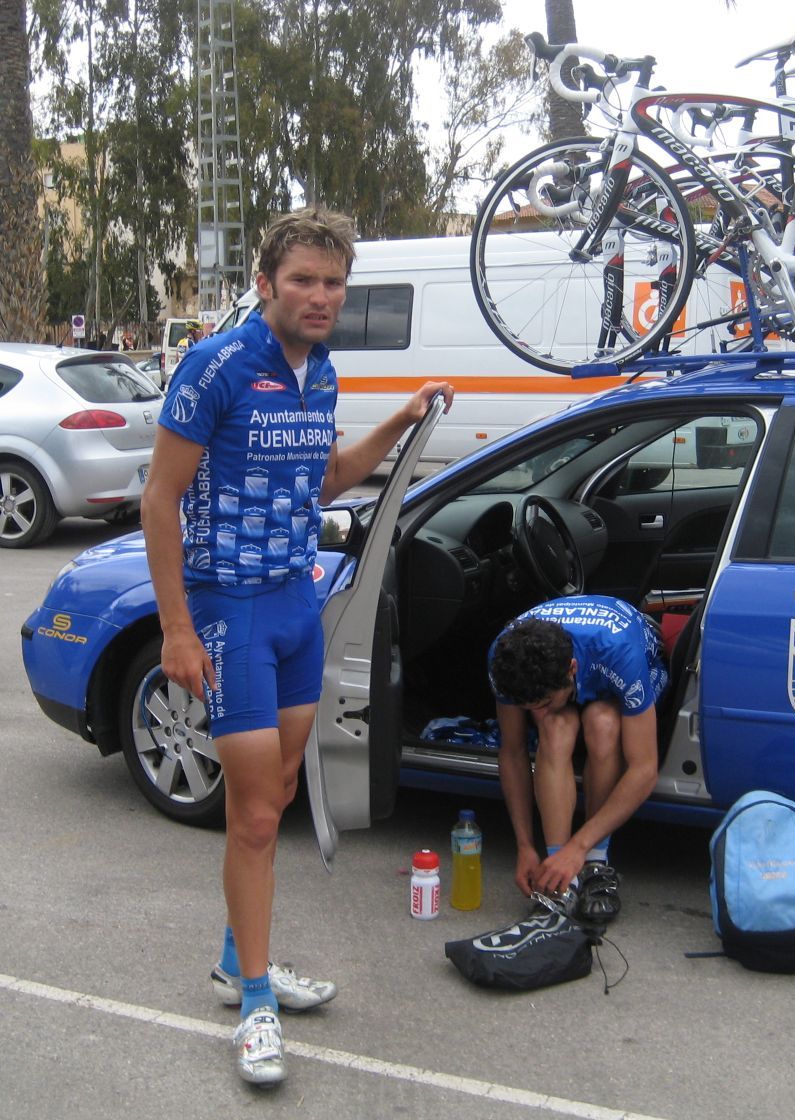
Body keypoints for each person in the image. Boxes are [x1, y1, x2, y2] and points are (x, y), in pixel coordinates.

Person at [141, 207, 453, 1088]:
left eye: (333, 282)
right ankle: (254, 1001)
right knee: (252, 817)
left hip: (293, 605)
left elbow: (327, 479)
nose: (321, 296)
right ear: (265, 282)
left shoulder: (321, 374)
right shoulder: (217, 365)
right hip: (229, 609)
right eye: (304, 280)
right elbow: (160, 499)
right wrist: (175, 627)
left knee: (277, 795)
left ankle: (236, 959)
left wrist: (401, 421)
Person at [488, 595, 668, 927]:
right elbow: (512, 752)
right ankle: (559, 873)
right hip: (576, 669)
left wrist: (579, 847)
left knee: (603, 724)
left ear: (571, 670)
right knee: (553, 726)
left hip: (617, 664)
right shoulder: (504, 655)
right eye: (529, 708)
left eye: (544, 702)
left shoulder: (620, 653)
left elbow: (644, 770)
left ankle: (595, 865)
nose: (537, 712)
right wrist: (525, 846)